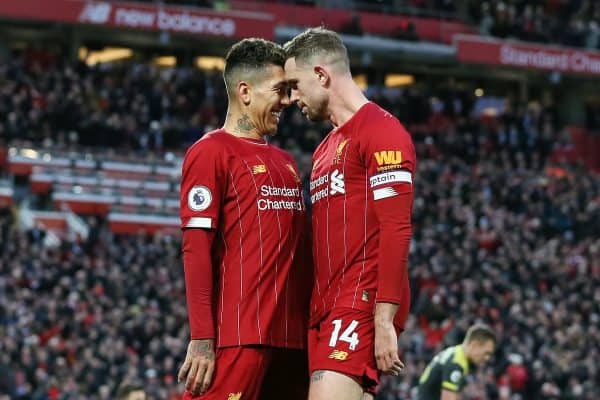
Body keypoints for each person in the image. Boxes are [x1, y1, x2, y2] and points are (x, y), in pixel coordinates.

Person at [283, 27, 415, 399]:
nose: (292, 98)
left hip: (360, 300)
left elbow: (396, 227)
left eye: (295, 84)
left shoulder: (382, 132)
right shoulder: (325, 148)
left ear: (322, 75)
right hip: (325, 306)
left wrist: (384, 318)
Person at [177, 38, 311, 400]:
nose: (286, 101)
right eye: (278, 90)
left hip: (292, 340)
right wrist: (203, 337)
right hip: (240, 335)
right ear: (245, 91)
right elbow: (196, 249)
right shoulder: (210, 153)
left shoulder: (287, 162)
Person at [417, 324, 497, 400]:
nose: (487, 358)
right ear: (474, 345)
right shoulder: (457, 364)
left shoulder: (458, 353)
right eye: (486, 353)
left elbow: (455, 394)